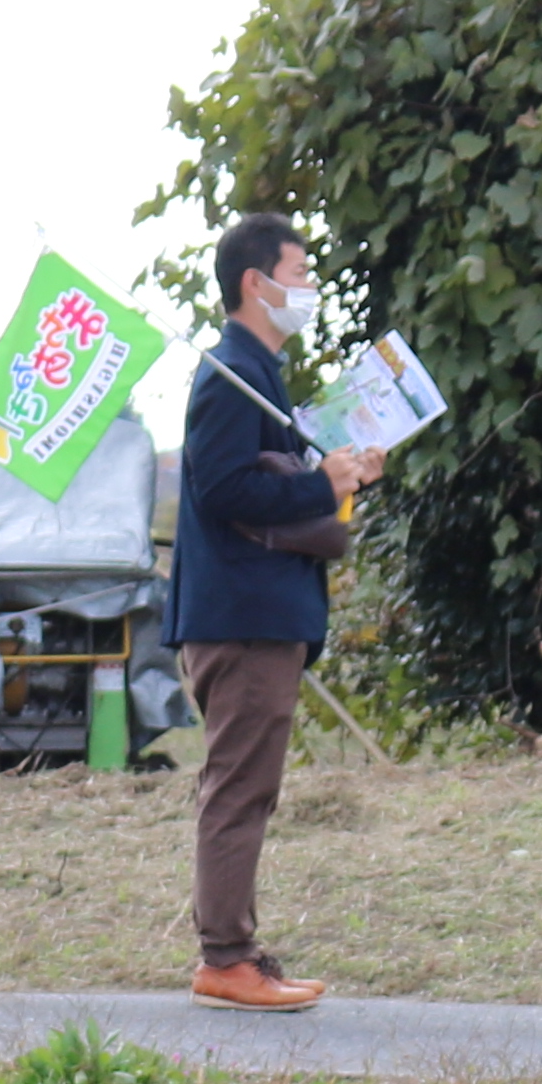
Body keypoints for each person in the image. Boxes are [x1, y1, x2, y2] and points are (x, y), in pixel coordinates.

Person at [166, 215, 380, 1014]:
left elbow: (284, 485)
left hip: (263, 613)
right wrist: (320, 485)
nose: (310, 289)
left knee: (248, 785)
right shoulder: (228, 373)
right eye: (301, 272)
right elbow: (221, 490)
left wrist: (345, 475)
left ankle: (237, 949)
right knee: (239, 788)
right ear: (257, 282)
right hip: (243, 615)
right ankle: (225, 958)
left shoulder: (259, 370)